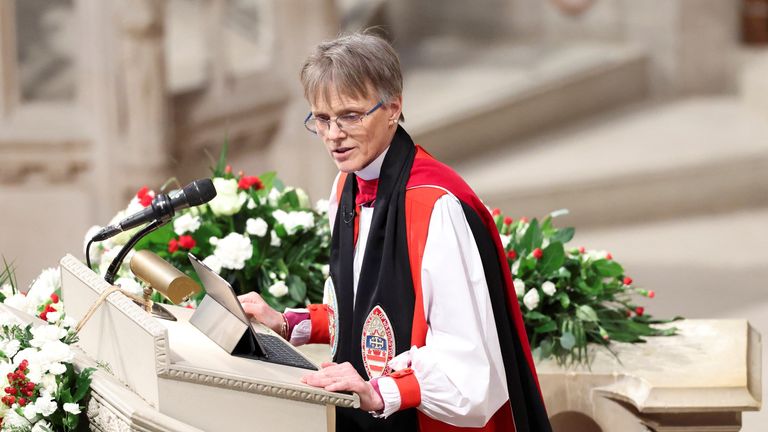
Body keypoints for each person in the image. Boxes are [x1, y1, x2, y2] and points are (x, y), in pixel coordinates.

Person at [239, 32, 552, 432]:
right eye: (321, 118)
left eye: (351, 115)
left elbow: (467, 364)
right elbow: (365, 317)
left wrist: (378, 393)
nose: (334, 134)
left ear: (393, 109)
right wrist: (288, 322)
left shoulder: (435, 206)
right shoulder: (347, 186)